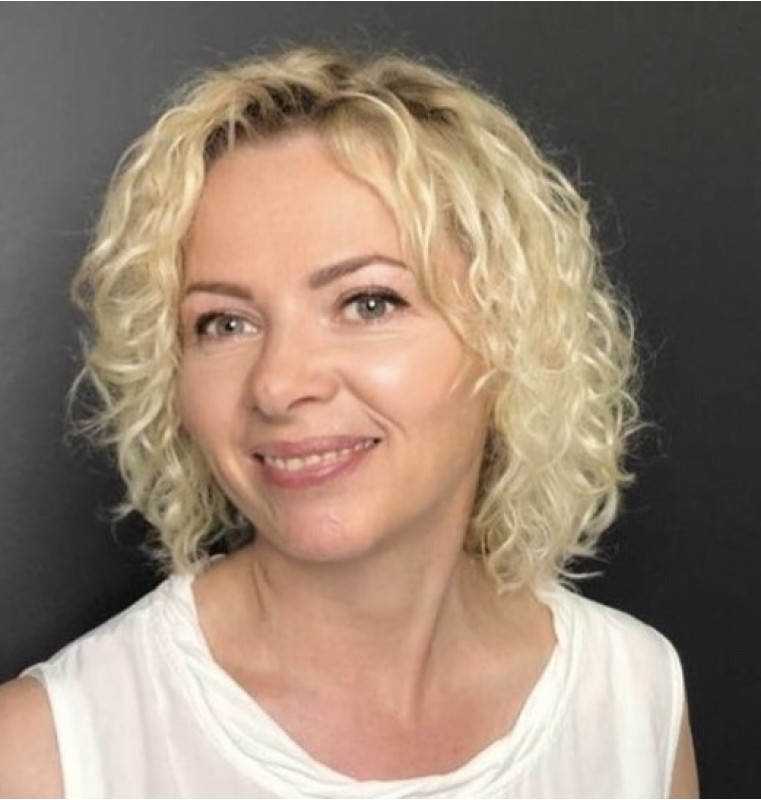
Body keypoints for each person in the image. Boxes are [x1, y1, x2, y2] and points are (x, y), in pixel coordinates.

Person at [0, 46, 698, 798]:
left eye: (368, 303)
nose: (278, 384)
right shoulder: (46, 752)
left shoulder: (632, 695)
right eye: (224, 323)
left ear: (511, 333)